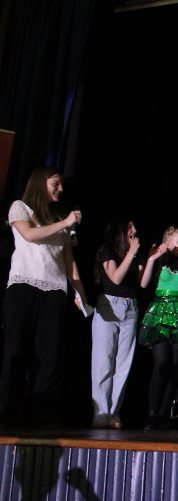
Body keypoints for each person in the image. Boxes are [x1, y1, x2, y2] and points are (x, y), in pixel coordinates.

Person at [0, 167, 88, 426]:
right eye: (55, 183)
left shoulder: (60, 218)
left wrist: (81, 294)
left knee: (49, 358)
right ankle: (7, 416)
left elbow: (69, 261)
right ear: (41, 183)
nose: (60, 189)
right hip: (23, 287)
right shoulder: (21, 208)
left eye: (61, 185)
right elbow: (29, 234)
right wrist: (65, 223)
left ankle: (43, 420)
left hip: (55, 291)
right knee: (15, 353)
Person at [138, 226, 178, 429]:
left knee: (176, 367)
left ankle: (164, 414)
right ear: (168, 242)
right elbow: (143, 284)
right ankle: (151, 414)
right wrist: (152, 258)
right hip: (160, 315)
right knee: (161, 365)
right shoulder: (158, 262)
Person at [91, 216, 143, 429]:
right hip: (109, 306)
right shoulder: (108, 251)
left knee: (123, 365)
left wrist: (150, 259)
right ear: (120, 230)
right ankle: (101, 413)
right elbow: (115, 277)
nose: (134, 230)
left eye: (134, 226)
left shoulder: (136, 253)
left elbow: (143, 282)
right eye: (130, 227)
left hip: (130, 308)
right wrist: (131, 253)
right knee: (103, 362)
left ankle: (114, 413)